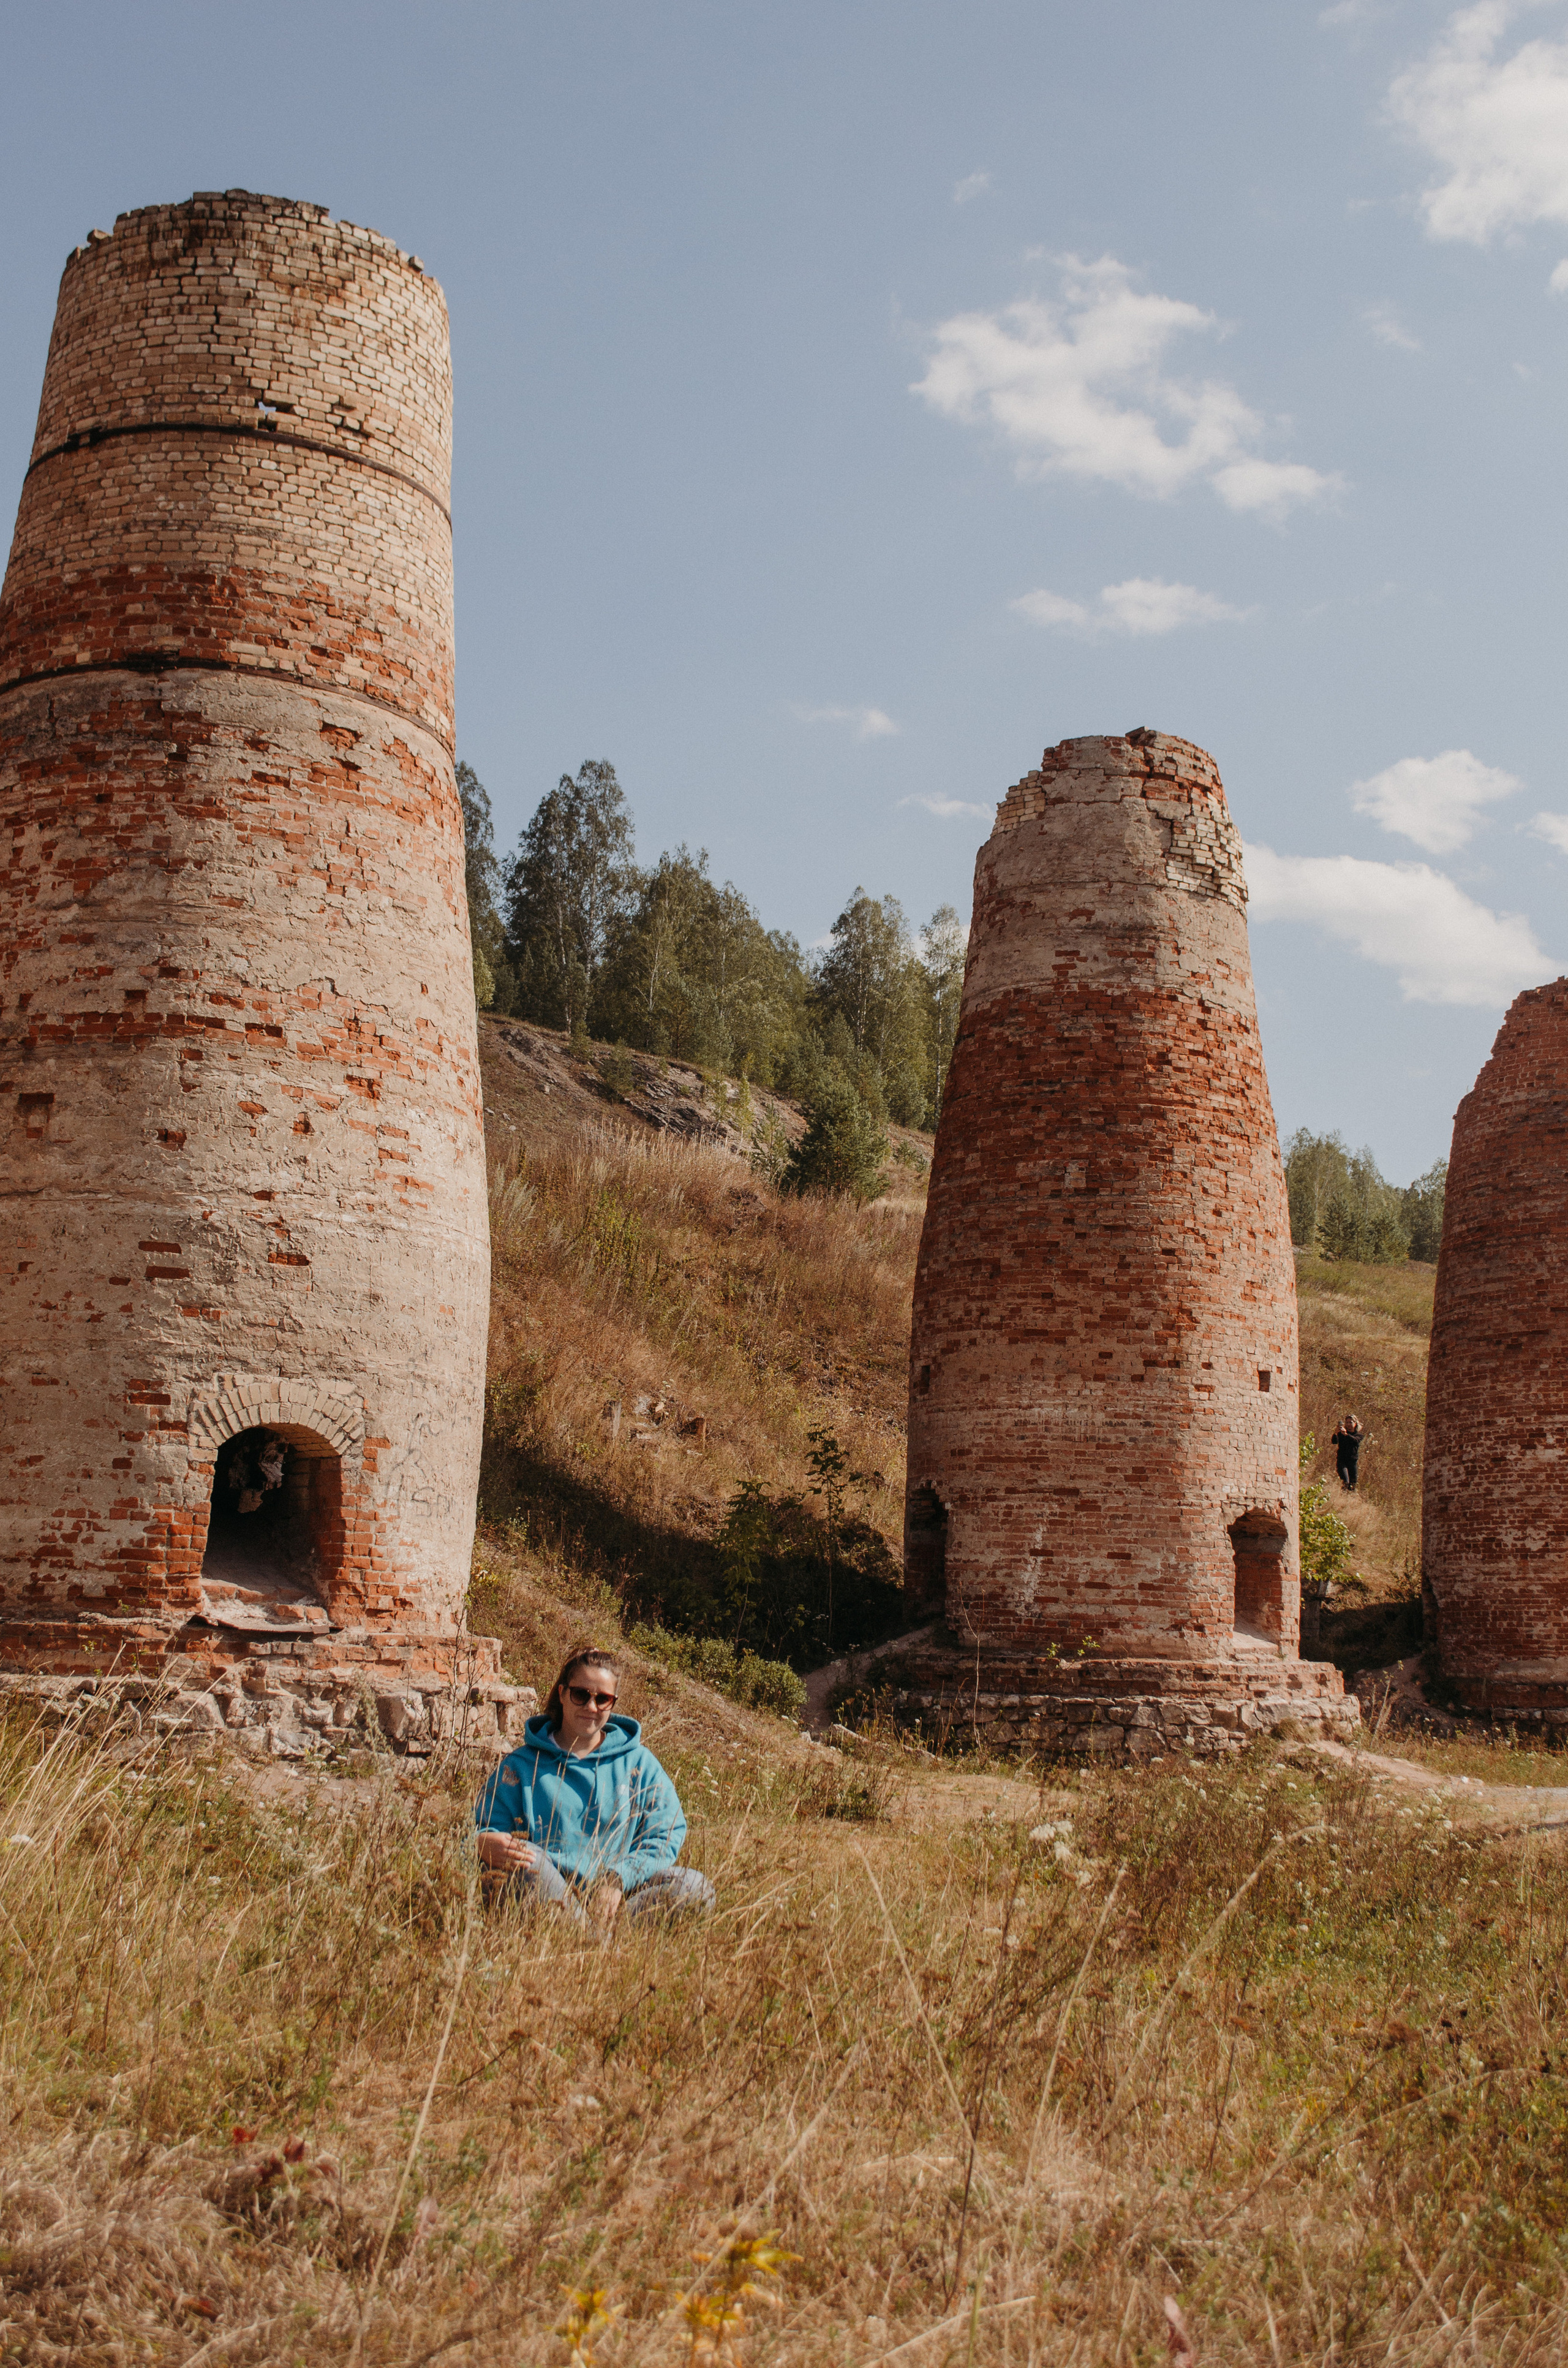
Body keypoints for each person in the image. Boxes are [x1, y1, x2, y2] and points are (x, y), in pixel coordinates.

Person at [473, 1642, 714, 1929]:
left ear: (613, 1703)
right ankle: (594, 1943)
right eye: (580, 1695)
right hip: (549, 1891)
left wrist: (616, 1878)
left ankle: (591, 1939)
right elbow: (484, 1829)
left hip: (620, 1897)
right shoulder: (521, 1766)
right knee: (529, 1860)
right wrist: (482, 1842)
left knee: (695, 1887)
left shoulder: (640, 1764)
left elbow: (665, 1834)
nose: (591, 1707)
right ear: (562, 1694)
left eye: (603, 1699)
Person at [1330, 1414, 1366, 1492]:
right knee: (1346, 1482)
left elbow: (1355, 1441)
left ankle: (1349, 1500)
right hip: (1342, 1461)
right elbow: (1334, 1442)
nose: (1349, 1424)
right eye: (1347, 1423)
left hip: (1352, 1462)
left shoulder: (1359, 1435)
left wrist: (1346, 1435)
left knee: (1352, 1485)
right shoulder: (1341, 1434)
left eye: (1351, 1422)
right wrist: (1336, 1433)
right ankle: (1342, 1497)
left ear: (1355, 1423)